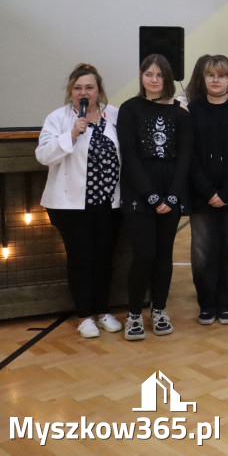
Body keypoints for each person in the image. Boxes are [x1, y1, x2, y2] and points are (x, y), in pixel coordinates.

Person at [37, 64, 123, 339]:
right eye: (77, 88)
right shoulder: (58, 119)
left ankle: (103, 311)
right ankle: (85, 315)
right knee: (81, 259)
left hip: (108, 204)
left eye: (89, 87)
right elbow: (43, 155)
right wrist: (71, 135)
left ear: (99, 91)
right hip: (72, 206)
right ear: (70, 91)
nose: (83, 92)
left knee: (104, 259)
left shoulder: (114, 115)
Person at [118, 54, 192, 341]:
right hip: (139, 195)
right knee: (144, 255)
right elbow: (130, 154)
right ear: (141, 77)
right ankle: (135, 314)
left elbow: (184, 157)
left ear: (167, 79)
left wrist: (172, 197)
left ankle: (159, 310)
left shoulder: (180, 113)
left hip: (171, 194)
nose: (154, 79)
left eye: (159, 75)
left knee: (163, 255)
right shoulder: (129, 109)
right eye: (148, 74)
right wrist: (150, 196)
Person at [185, 55, 228, 325]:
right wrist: (208, 191)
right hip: (201, 195)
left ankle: (227, 302)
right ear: (203, 78)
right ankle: (206, 303)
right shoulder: (192, 110)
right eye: (211, 75)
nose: (216, 80)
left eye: (221, 75)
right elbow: (189, 155)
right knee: (202, 252)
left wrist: (227, 193)